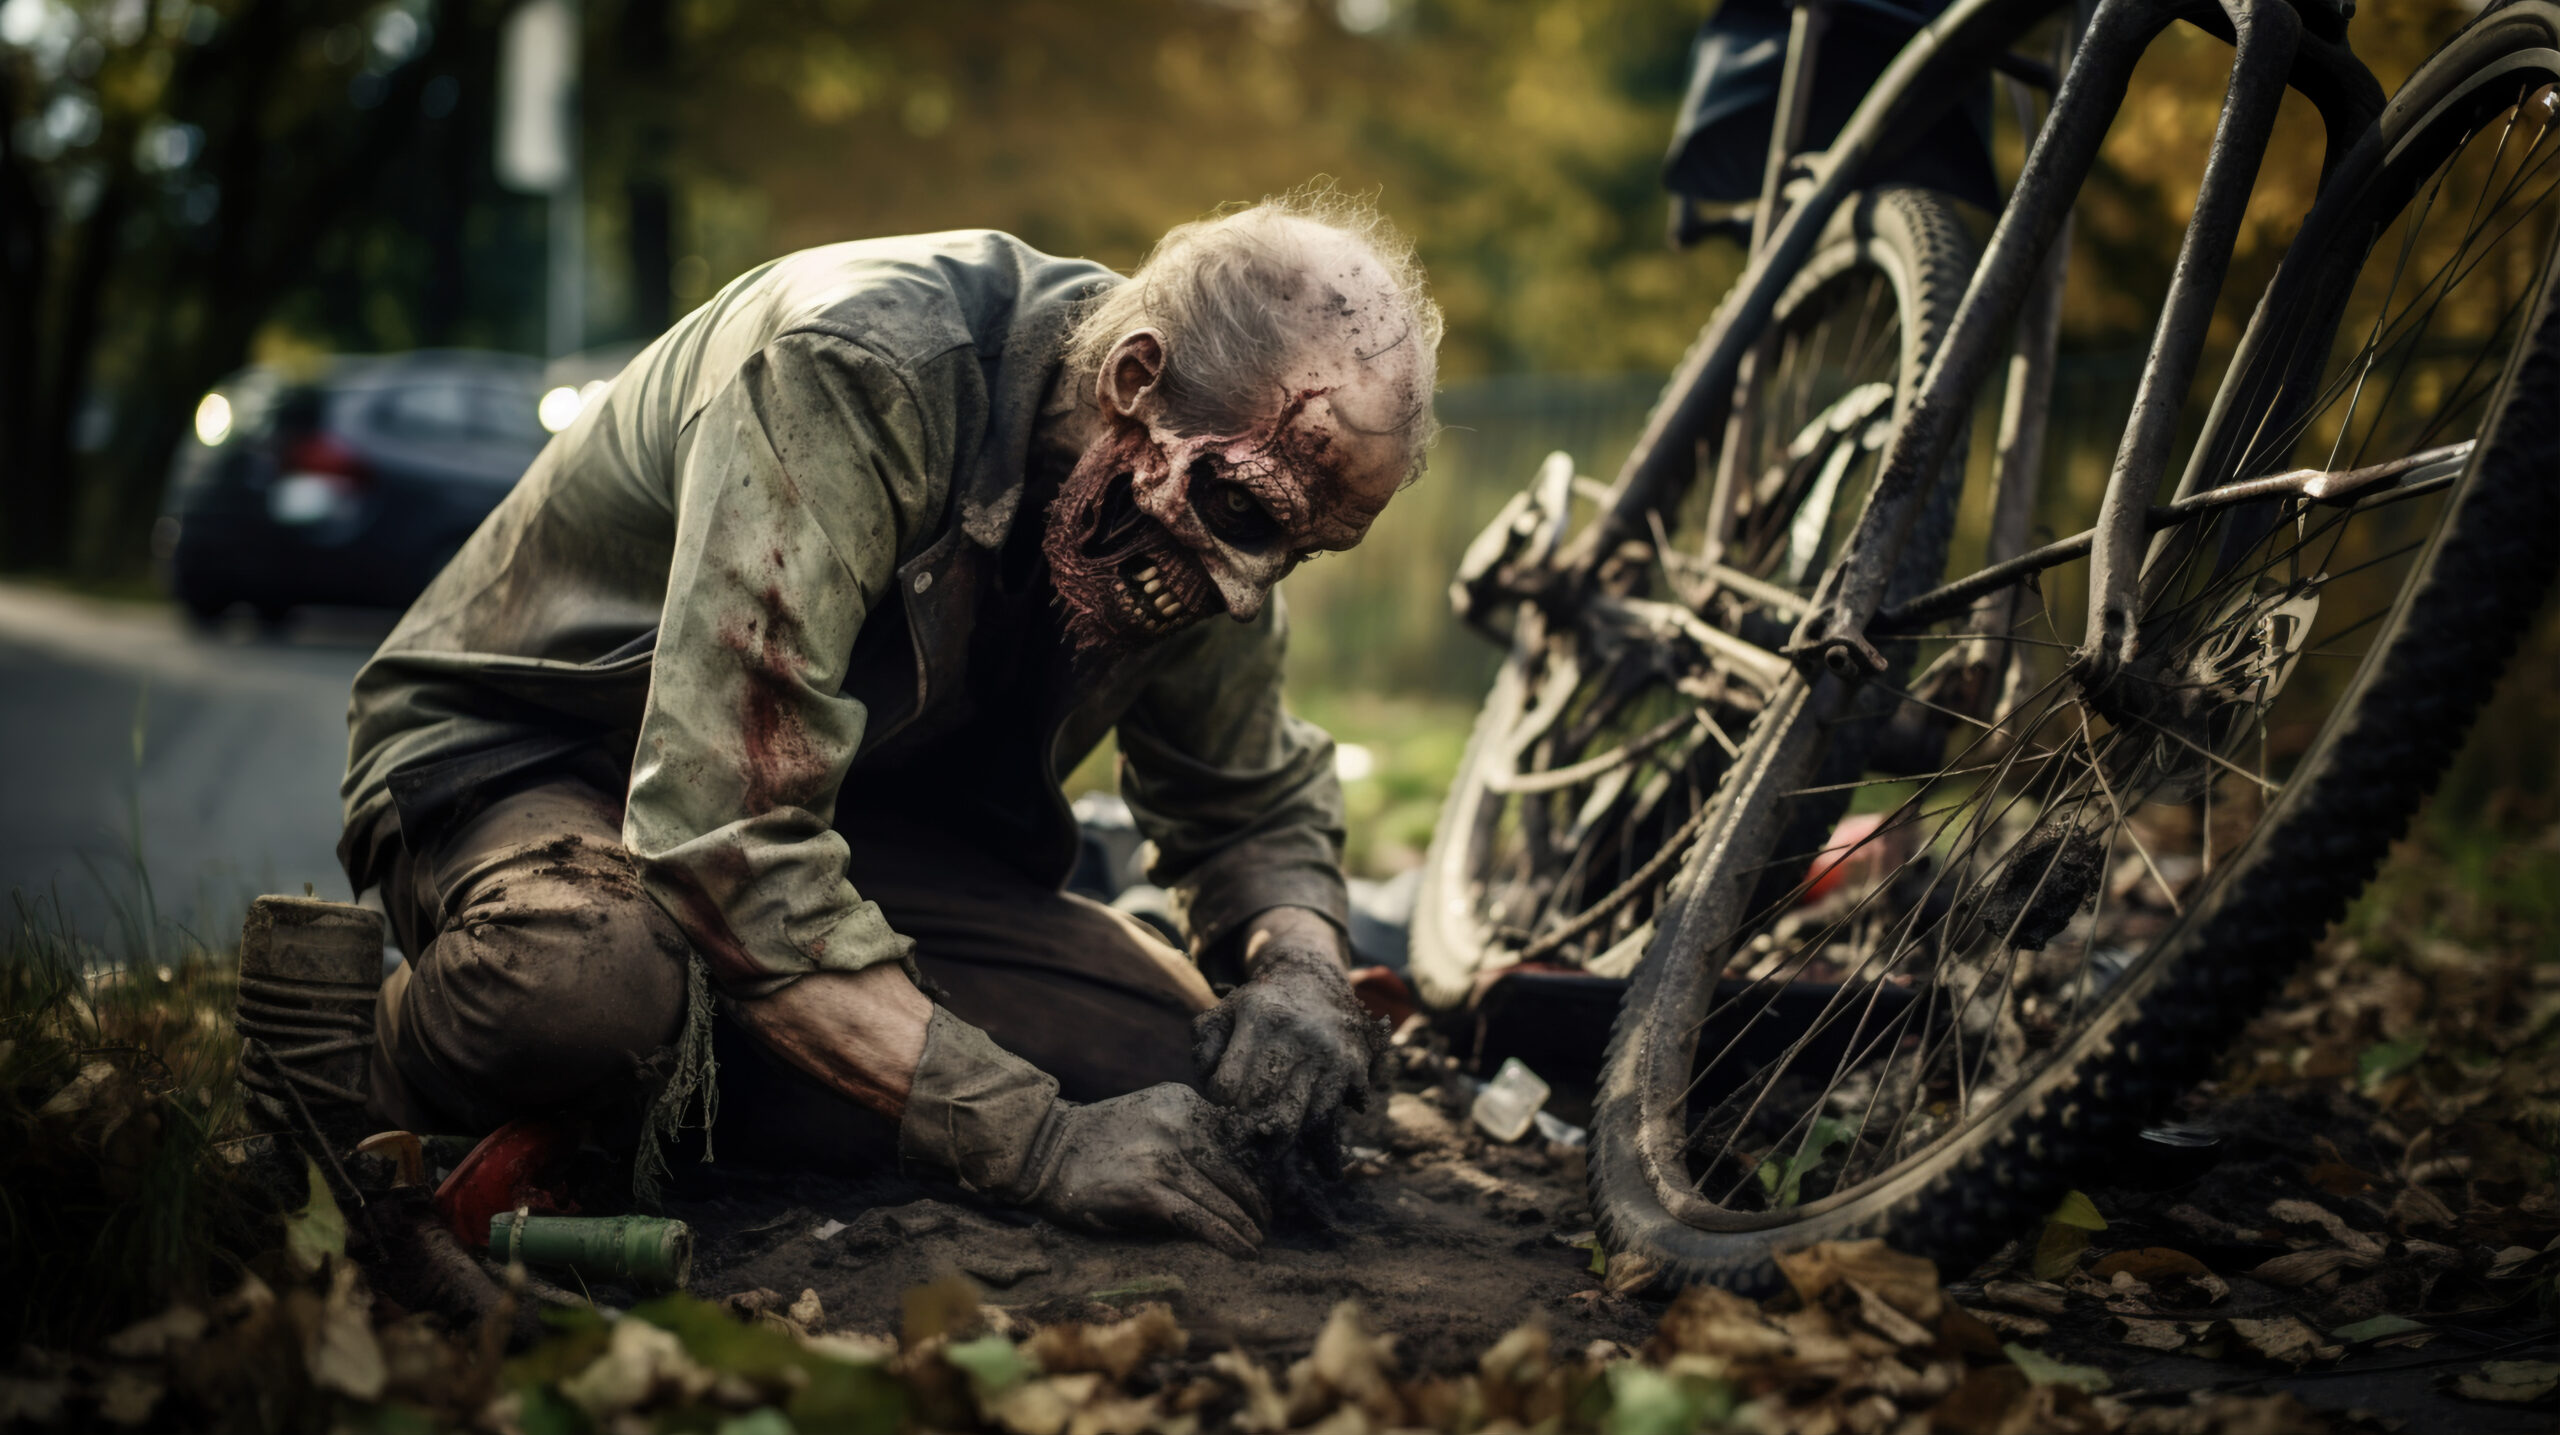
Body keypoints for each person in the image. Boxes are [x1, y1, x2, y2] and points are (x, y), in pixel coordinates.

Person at [336, 188, 1442, 1255]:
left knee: (1182, 1069)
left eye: (1297, 552)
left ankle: (687, 1068)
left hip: (838, 823)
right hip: (542, 754)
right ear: (1132, 378)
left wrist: (1300, 967)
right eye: (1246, 517)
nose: (1248, 594)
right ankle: (360, 1059)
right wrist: (1035, 1139)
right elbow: (728, 846)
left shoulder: (1223, 482)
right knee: (585, 986)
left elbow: (1243, 796)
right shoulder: (856, 369)